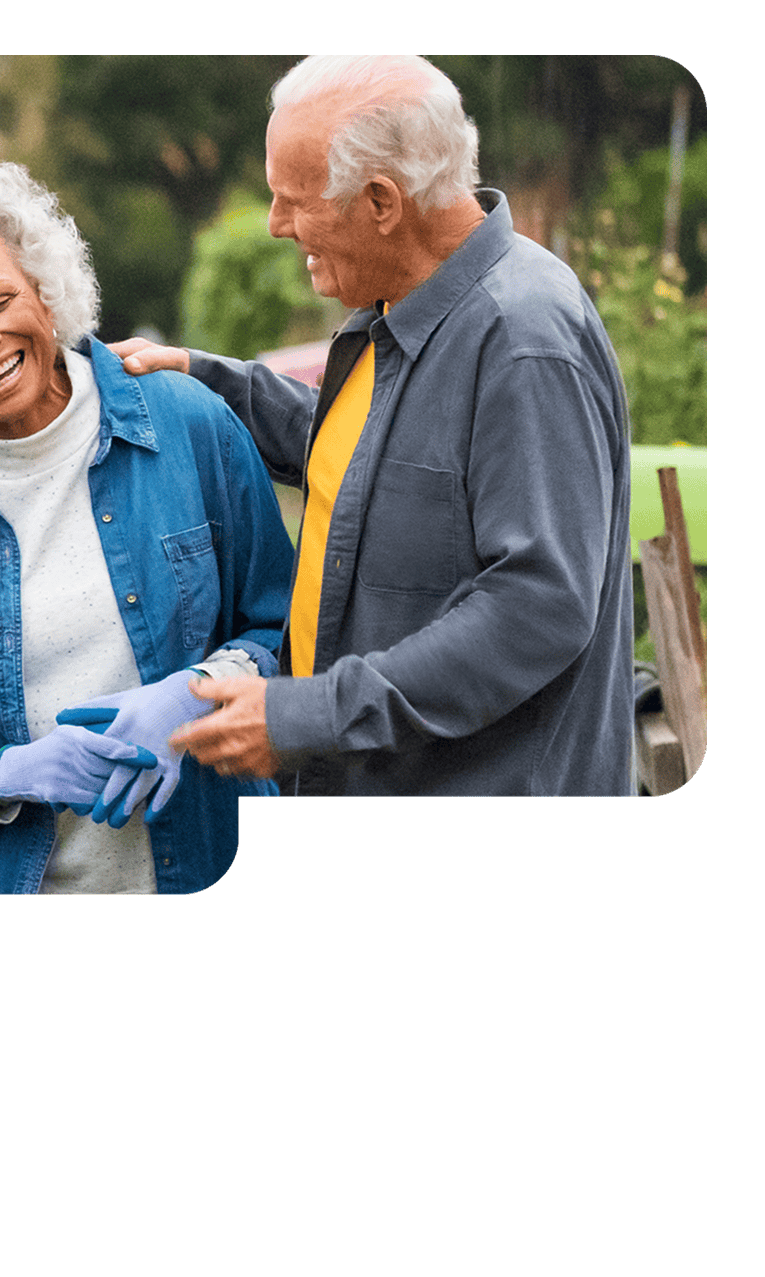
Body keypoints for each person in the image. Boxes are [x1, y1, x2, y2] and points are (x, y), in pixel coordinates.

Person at [115, 55, 636, 798]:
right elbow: (375, 466)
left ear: (382, 201)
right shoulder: (404, 302)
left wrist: (310, 713)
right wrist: (203, 378)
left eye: (293, 201)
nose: (275, 226)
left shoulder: (522, 339)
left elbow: (538, 606)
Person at [0, 160, 294, 893]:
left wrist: (200, 689)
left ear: (47, 293)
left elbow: (287, 631)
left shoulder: (190, 426)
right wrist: (2, 773)